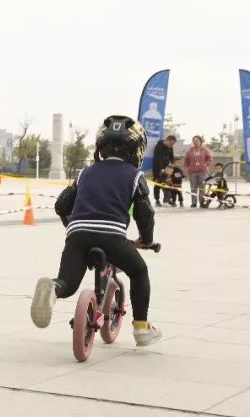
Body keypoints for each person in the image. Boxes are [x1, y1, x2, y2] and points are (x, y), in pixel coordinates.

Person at [30, 115, 161, 346]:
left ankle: (52, 288)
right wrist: (146, 240)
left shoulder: (84, 173)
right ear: (136, 149)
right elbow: (145, 212)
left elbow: (62, 205)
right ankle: (141, 328)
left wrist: (72, 228)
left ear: (100, 146)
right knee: (139, 271)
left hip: (78, 234)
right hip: (112, 236)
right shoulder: (135, 176)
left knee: (68, 282)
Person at [184, 135, 213, 208]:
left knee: (202, 188)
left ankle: (201, 202)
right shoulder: (190, 150)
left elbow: (209, 158)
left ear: (200, 141)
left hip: (202, 172)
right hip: (192, 171)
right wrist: (185, 169)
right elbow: (186, 160)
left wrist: (206, 164)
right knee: (193, 188)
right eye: (194, 141)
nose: (195, 142)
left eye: (197, 141)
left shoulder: (205, 150)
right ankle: (193, 203)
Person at [150, 135, 176, 204]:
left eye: (173, 144)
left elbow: (172, 157)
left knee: (168, 183)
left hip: (166, 168)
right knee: (158, 184)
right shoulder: (158, 147)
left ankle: (167, 199)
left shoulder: (170, 148)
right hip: (157, 169)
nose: (171, 145)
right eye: (170, 143)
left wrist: (172, 165)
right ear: (167, 140)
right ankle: (157, 199)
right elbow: (157, 159)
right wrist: (161, 169)